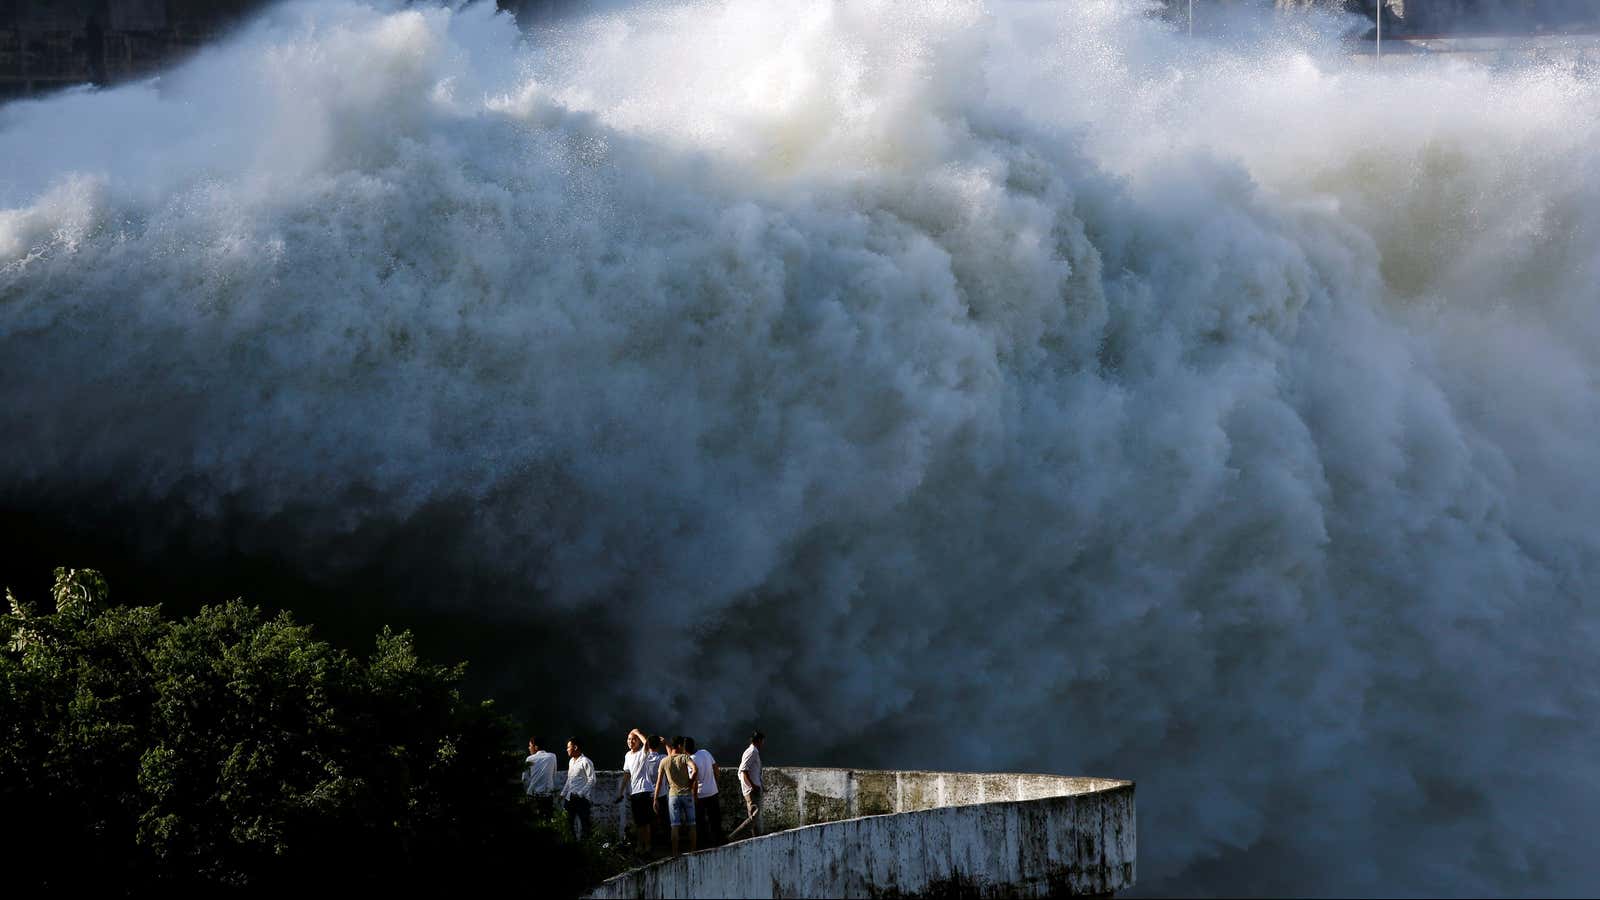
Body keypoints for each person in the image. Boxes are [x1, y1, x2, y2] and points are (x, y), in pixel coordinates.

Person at [652, 736, 698, 856]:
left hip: (673, 796)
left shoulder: (664, 761)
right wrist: (691, 782)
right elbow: (695, 769)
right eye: (682, 745)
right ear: (679, 746)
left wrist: (655, 798)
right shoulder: (684, 757)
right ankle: (693, 851)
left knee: (674, 826)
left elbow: (659, 782)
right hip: (687, 794)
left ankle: (674, 853)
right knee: (692, 824)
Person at [615, 729, 655, 852]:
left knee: (646, 822)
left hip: (645, 790)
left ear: (638, 741)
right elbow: (627, 774)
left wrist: (637, 733)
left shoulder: (642, 753)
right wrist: (620, 792)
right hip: (635, 792)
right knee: (638, 822)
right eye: (628, 739)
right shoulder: (628, 755)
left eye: (633, 739)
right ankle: (639, 846)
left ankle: (647, 846)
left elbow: (647, 743)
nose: (630, 741)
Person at [686, 736, 722, 847]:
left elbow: (694, 781)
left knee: (700, 822)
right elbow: (716, 768)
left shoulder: (690, 761)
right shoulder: (705, 752)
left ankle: (703, 844)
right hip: (712, 791)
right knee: (715, 819)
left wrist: (694, 797)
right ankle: (718, 841)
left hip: (700, 795)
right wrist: (715, 783)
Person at [561, 737, 595, 841]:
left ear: (575, 747)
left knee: (585, 825)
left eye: (568, 747)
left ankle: (586, 848)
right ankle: (573, 846)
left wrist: (580, 793)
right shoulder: (571, 761)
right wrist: (563, 793)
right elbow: (569, 778)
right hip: (569, 797)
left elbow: (592, 780)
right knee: (568, 824)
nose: (567, 749)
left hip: (581, 799)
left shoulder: (586, 761)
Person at [524, 735, 558, 819]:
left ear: (536, 747)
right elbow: (554, 775)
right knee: (547, 821)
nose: (529, 748)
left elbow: (524, 779)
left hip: (533, 796)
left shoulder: (529, 759)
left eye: (530, 746)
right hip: (548, 796)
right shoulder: (552, 756)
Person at [739, 730, 765, 837]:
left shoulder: (752, 751)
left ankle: (757, 838)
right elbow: (743, 770)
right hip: (752, 791)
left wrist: (760, 785)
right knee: (754, 817)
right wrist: (753, 786)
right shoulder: (752, 752)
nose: (763, 743)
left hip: (752, 789)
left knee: (755, 817)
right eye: (763, 741)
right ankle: (737, 835)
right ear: (759, 740)